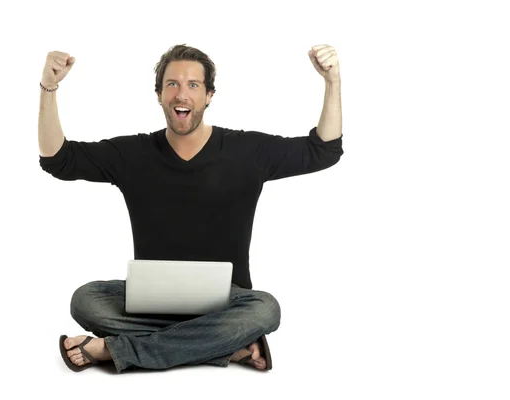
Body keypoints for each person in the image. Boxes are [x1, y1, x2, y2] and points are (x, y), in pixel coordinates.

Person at [38, 44, 343, 373]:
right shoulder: (133, 154)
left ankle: (118, 350)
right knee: (85, 300)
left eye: (193, 85)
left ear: (209, 95)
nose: (181, 94)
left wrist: (333, 83)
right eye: (172, 84)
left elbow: (322, 151)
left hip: (227, 302)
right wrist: (48, 87)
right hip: (152, 302)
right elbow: (58, 160)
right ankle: (224, 347)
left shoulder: (247, 151)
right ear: (158, 94)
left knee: (266, 310)